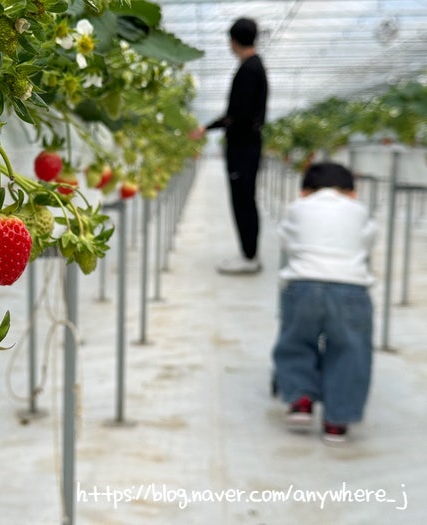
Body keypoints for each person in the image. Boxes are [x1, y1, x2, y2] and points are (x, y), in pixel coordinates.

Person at [271, 162, 377, 444]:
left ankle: (301, 399)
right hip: (350, 288)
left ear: (304, 191)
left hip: (302, 284)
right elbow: (367, 242)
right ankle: (336, 422)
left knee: (295, 343)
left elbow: (286, 240)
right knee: (350, 351)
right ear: (352, 192)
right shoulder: (360, 210)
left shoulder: (297, 208)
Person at [191, 17, 268, 274]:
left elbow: (237, 115)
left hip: (243, 147)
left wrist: (209, 127)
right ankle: (249, 253)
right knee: (246, 198)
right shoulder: (255, 67)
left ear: (233, 40)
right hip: (248, 144)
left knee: (243, 200)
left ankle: (249, 256)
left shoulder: (249, 70)